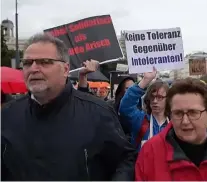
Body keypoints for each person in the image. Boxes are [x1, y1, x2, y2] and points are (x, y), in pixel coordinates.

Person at [1, 33, 136, 181]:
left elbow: (125, 160)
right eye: (27, 63)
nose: (33, 68)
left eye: (44, 62)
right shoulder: (7, 115)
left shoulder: (98, 113)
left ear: (65, 69)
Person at [119, 67, 170, 150]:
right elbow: (126, 107)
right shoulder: (141, 119)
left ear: (168, 99)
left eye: (159, 97)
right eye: (152, 97)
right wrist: (145, 81)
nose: (154, 101)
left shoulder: (174, 123)